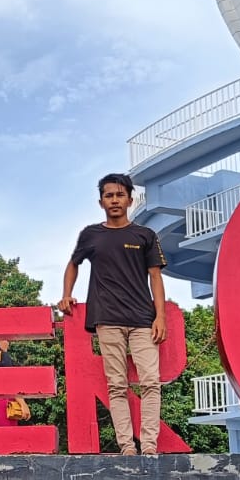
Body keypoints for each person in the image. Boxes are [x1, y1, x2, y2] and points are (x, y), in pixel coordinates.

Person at [58, 174, 168, 455]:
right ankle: (127, 447)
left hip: (143, 320)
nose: (115, 200)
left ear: (130, 199)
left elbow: (155, 277)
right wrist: (67, 293)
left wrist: (161, 316)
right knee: (117, 385)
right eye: (109, 196)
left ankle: (150, 446)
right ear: (101, 202)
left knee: (151, 382)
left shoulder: (145, 235)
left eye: (120, 195)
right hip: (107, 318)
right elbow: (73, 264)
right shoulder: (91, 234)